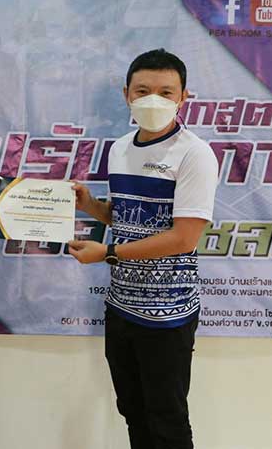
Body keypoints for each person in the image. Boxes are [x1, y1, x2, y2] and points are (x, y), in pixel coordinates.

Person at [68, 49, 219, 449]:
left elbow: (183, 238)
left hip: (168, 314)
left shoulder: (195, 154)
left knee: (167, 422)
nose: (154, 100)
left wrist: (108, 254)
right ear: (126, 95)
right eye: (143, 90)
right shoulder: (120, 148)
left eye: (166, 92)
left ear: (183, 96)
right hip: (121, 307)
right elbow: (126, 217)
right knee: (133, 412)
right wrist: (90, 205)